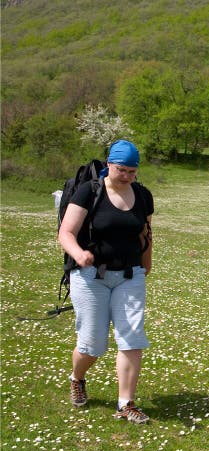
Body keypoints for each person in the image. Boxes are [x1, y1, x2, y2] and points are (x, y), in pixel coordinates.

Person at [58, 139, 154, 424]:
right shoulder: (90, 191)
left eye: (132, 171)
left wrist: (146, 264)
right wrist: (79, 253)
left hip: (129, 275)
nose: (126, 176)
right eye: (121, 169)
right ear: (109, 164)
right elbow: (66, 233)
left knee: (132, 338)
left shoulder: (143, 195)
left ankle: (126, 402)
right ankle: (77, 378)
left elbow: (146, 233)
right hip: (90, 277)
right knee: (92, 344)